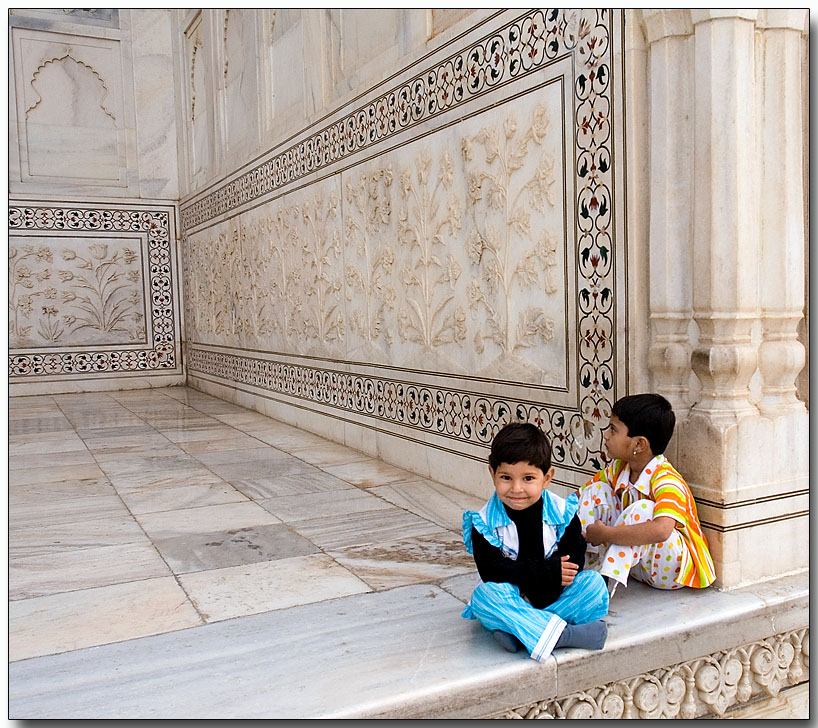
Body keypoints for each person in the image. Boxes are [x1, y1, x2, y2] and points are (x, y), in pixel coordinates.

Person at [461, 422, 609, 662]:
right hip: (513, 597)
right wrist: (548, 570)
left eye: (528, 478)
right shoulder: (484, 522)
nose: (516, 488)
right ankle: (564, 635)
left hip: (556, 596)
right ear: (492, 474)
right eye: (506, 477)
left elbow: (573, 565)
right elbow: (493, 572)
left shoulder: (563, 512)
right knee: (485, 597)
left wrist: (550, 577)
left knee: (593, 586)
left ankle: (521, 631)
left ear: (547, 477)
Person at [578, 393, 716, 594]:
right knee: (595, 490)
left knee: (644, 509)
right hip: (639, 566)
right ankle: (582, 570)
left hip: (671, 571)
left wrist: (605, 534)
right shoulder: (619, 468)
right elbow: (578, 497)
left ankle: (600, 591)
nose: (606, 435)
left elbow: (661, 531)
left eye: (613, 430)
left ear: (639, 444)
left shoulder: (667, 480)